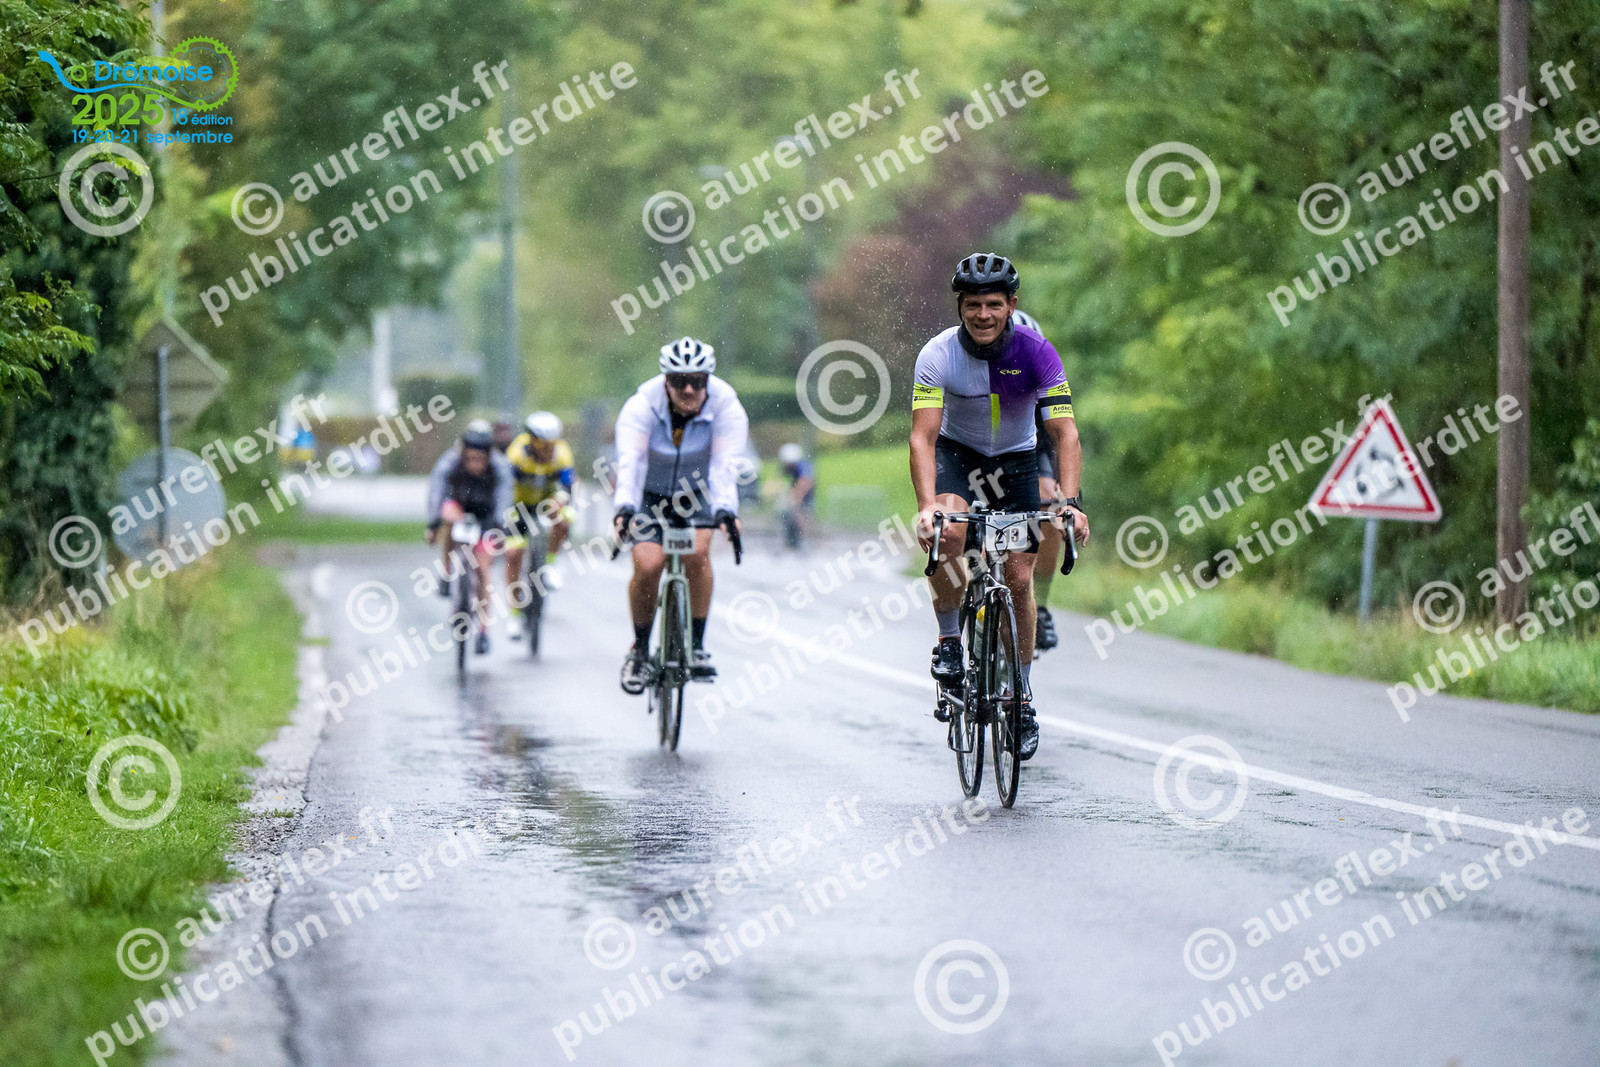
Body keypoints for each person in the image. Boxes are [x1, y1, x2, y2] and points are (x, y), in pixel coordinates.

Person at [910, 253, 1088, 761]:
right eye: (972, 305)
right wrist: (927, 506)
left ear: (1011, 304)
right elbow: (923, 438)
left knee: (1018, 578)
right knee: (948, 533)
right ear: (960, 307)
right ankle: (950, 640)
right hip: (957, 456)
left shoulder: (1037, 351)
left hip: (1016, 461)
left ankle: (1021, 697)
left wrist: (1071, 503)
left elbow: (1065, 432)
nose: (982, 314)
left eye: (992, 304)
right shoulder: (938, 354)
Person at [612, 337, 749, 694]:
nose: (688, 389)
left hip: (696, 491)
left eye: (697, 381)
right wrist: (624, 507)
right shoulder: (641, 406)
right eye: (679, 380)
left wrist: (726, 509)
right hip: (649, 492)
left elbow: (724, 464)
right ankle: (639, 651)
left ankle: (697, 646)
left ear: (708, 380)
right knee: (648, 565)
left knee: (697, 554)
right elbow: (632, 462)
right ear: (665, 381)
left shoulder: (727, 406)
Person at [425, 418, 514, 655]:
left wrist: (501, 526)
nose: (475, 465)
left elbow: (505, 497)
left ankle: (483, 631)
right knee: (448, 518)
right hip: (460, 509)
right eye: (470, 459)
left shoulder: (500, 466)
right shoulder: (450, 461)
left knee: (483, 570)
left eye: (479, 460)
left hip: (486, 516)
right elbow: (437, 490)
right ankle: (447, 571)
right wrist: (433, 524)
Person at [1012, 310, 1063, 653]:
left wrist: (1066, 497)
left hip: (1032, 451)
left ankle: (1040, 606)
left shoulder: (1043, 379)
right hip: (977, 455)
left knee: (1051, 507)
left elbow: (1059, 439)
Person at [504, 411, 576, 639]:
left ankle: (551, 565)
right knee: (513, 554)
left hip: (546, 503)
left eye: (552, 444)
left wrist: (560, 500)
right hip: (519, 507)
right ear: (532, 440)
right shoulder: (516, 454)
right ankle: (514, 615)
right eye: (543, 444)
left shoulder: (561, 453)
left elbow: (568, 488)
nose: (548, 449)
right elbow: (504, 488)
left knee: (565, 517)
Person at [777, 442, 815, 550]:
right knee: (789, 514)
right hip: (797, 490)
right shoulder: (791, 467)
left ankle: (803, 539)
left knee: (800, 515)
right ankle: (792, 539)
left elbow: (805, 483)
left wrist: (796, 497)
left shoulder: (802, 466)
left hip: (806, 493)